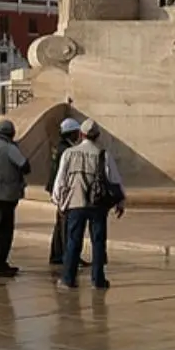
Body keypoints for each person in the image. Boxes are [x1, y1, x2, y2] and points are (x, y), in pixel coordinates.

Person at [52, 118, 126, 290]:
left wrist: (59, 202)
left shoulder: (69, 153)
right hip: (98, 204)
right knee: (98, 242)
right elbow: (115, 180)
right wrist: (120, 202)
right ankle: (98, 280)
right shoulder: (103, 155)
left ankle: (68, 279)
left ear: (81, 134)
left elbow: (60, 180)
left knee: (73, 242)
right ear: (97, 136)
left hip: (75, 203)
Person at [0, 118, 31, 277]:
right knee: (4, 230)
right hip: (6, 193)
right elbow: (25, 166)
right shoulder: (10, 148)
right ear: (12, 133)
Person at [47, 117, 85, 269]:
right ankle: (67, 255)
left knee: (60, 224)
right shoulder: (67, 150)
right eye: (76, 132)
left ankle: (57, 255)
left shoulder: (61, 147)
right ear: (71, 133)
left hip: (58, 188)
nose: (78, 136)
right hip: (64, 190)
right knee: (66, 225)